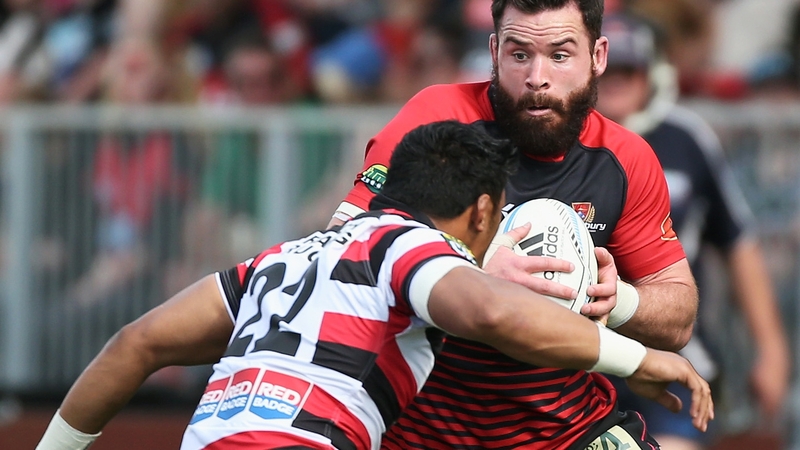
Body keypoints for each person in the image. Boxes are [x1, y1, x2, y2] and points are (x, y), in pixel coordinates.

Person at [35, 121, 713, 450]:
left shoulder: (278, 259)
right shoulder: (411, 248)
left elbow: (132, 344)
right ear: (481, 212)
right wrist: (646, 358)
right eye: (496, 221)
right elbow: (501, 318)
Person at [328, 0, 701, 448]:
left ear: (598, 56)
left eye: (560, 55)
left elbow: (679, 316)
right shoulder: (437, 119)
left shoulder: (626, 160)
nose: (537, 78)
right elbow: (339, 252)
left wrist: (616, 301)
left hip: (568, 432)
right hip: (419, 432)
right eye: (519, 53)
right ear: (494, 51)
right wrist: (465, 278)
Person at [595, 11, 791, 450]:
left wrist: (772, 347)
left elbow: (738, 243)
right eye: (608, 69)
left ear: (652, 74)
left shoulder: (686, 138)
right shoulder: (563, 143)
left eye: (629, 69)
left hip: (673, 355)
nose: (616, 81)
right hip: (579, 357)